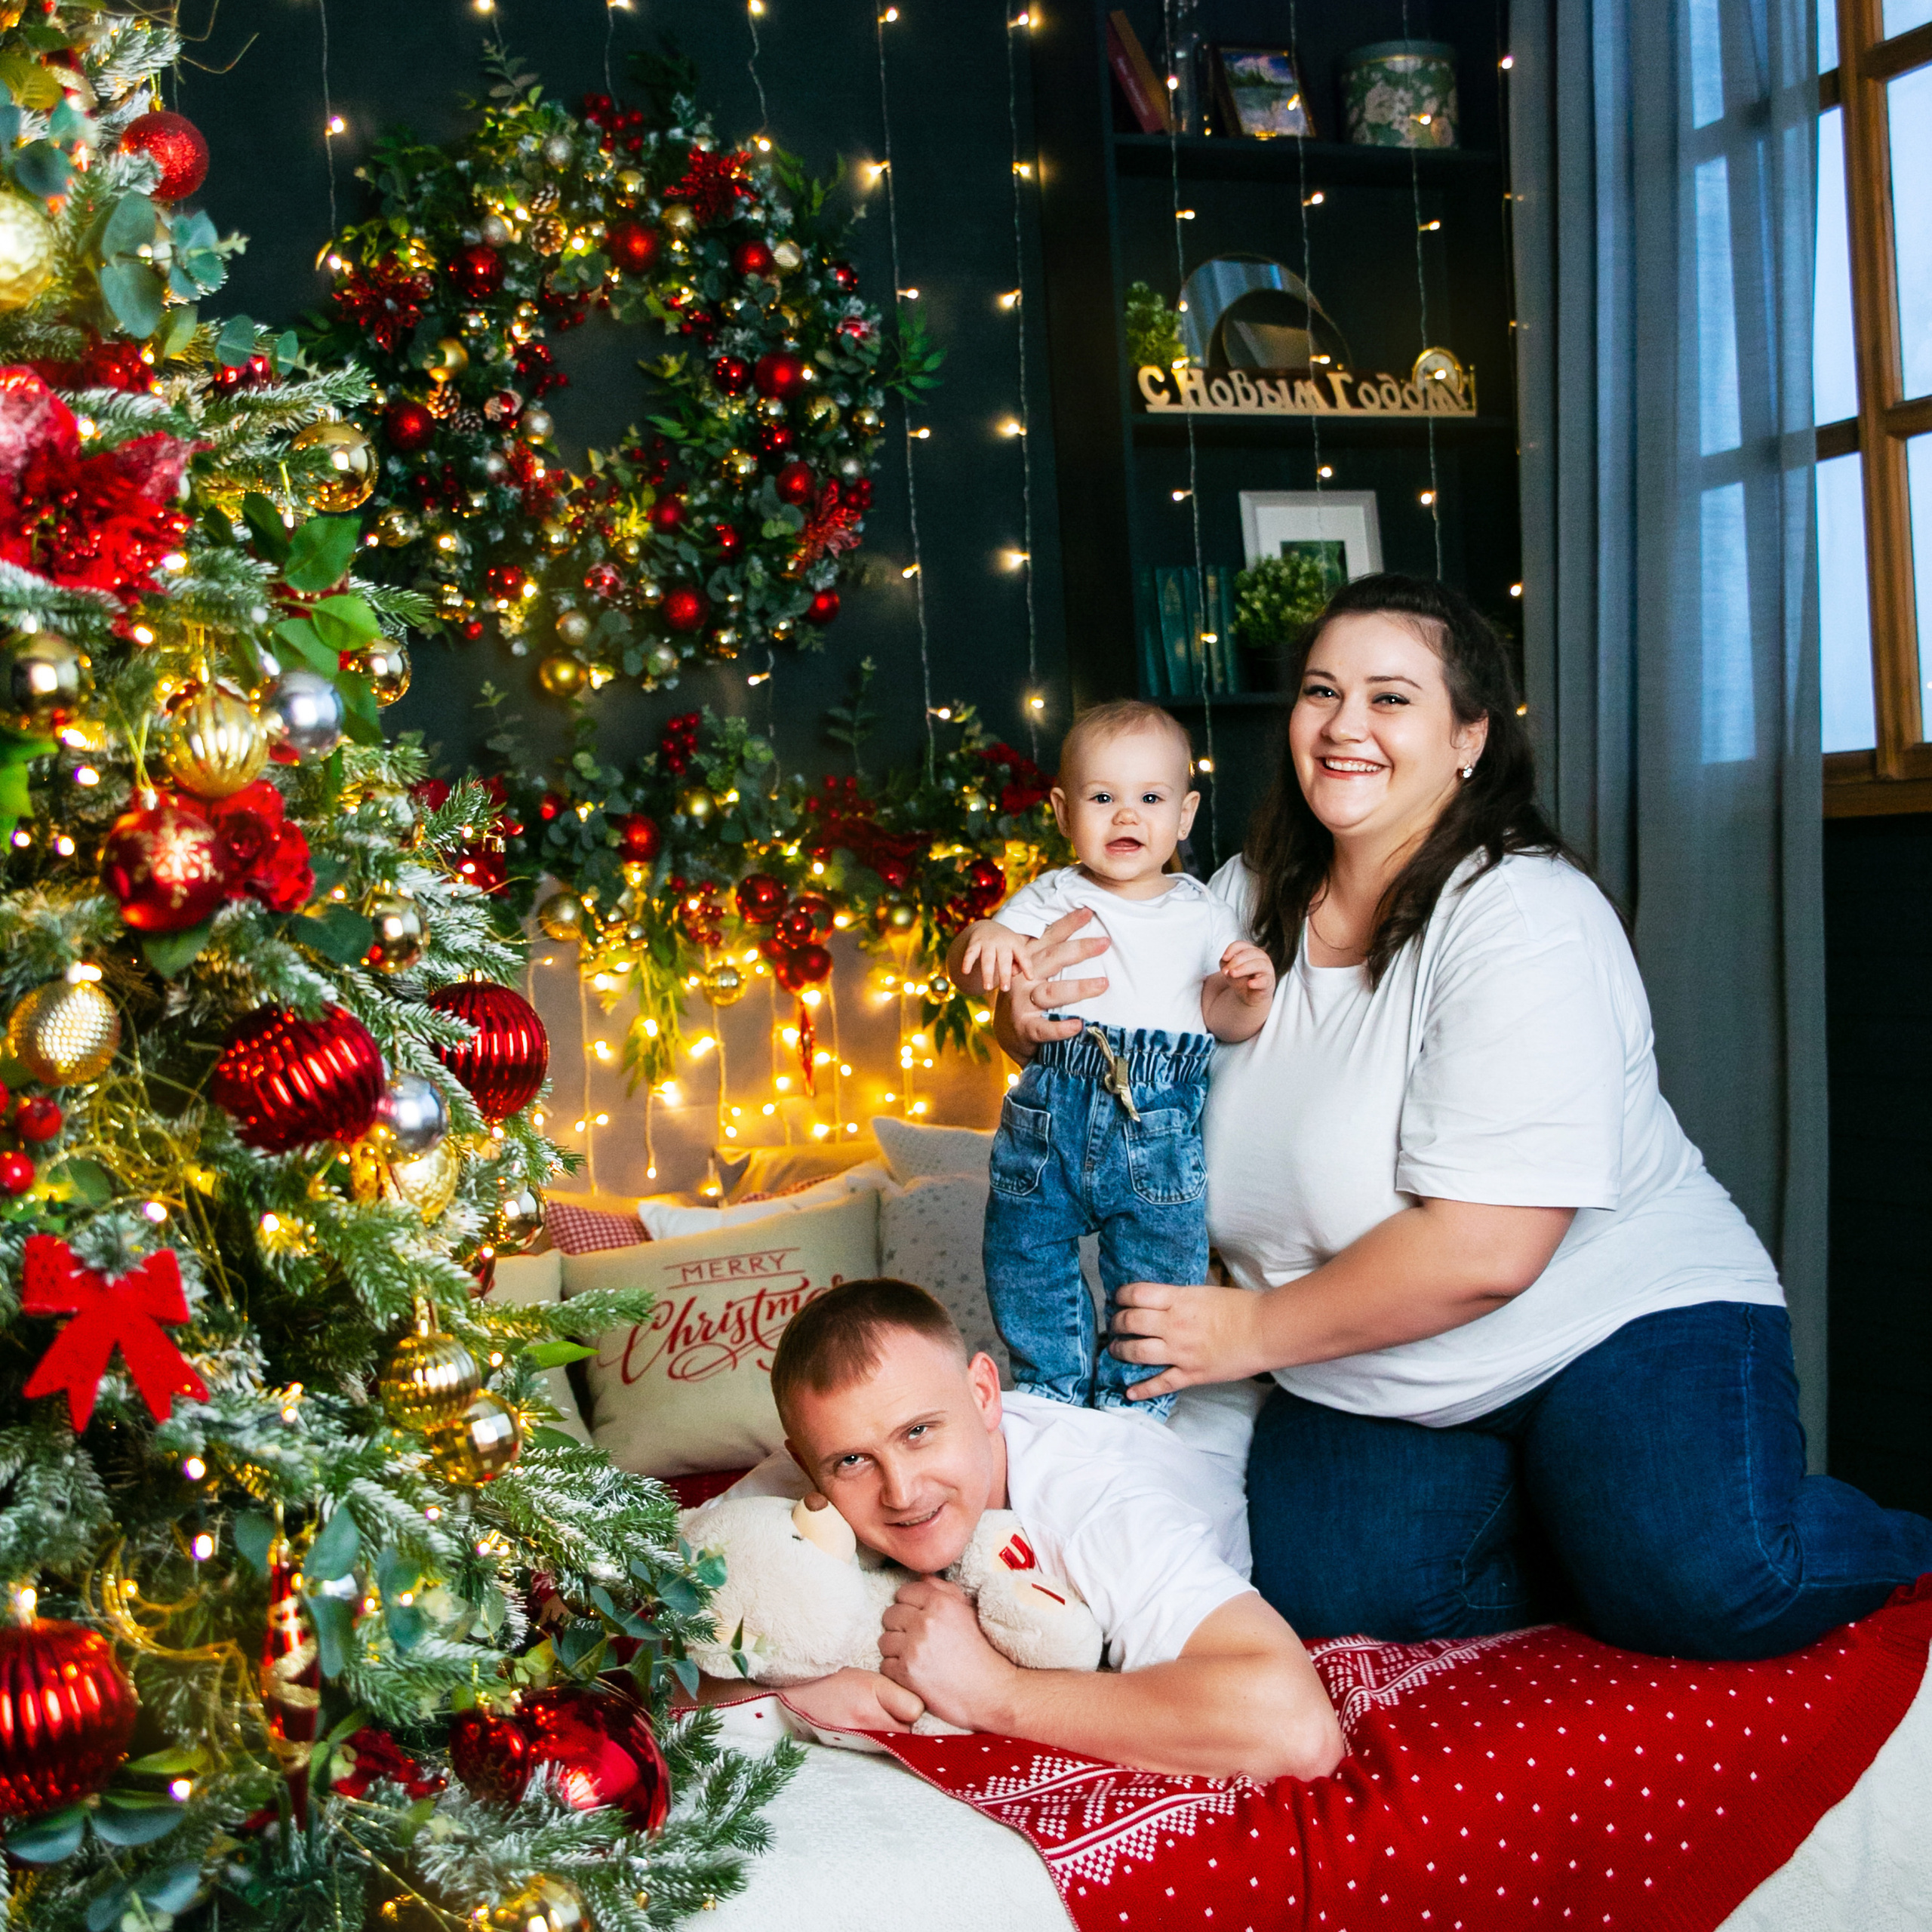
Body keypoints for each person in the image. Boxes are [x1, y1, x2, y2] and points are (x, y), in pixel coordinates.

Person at [994, 572, 1932, 1663]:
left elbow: (1487, 1248)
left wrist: (1245, 1332)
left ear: (1469, 738)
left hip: (1603, 1323)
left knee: (1713, 1587)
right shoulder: (1235, 901)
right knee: (1325, 1593)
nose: (1346, 727)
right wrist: (1031, 1024)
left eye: (1392, 698)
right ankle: (1582, 1524)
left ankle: (1843, 1542)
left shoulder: (1522, 917)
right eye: (1321, 691)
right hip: (1374, 1368)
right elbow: (1110, 1039)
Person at [710, 1276, 1344, 1780]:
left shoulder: (1095, 1509)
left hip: (1270, 1431)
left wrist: (995, 1692)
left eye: (919, 1433)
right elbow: (632, 1646)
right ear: (805, 1463)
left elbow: (1297, 1732)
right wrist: (794, 1700)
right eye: (853, 1462)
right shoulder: (810, 1470)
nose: (901, 1492)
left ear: (984, 1393)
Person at [947, 701, 1275, 1415]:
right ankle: (1053, 1391)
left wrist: (1251, 991)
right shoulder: (1051, 896)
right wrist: (982, 942)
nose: (1127, 817)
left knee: (1160, 1278)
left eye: (1149, 799)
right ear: (1065, 813)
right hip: (1053, 1111)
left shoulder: (1204, 912)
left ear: (1184, 816)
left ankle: (1137, 1406)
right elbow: (977, 971)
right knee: (1025, 1258)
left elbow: (1221, 1021)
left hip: (1158, 1127)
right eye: (1103, 799)